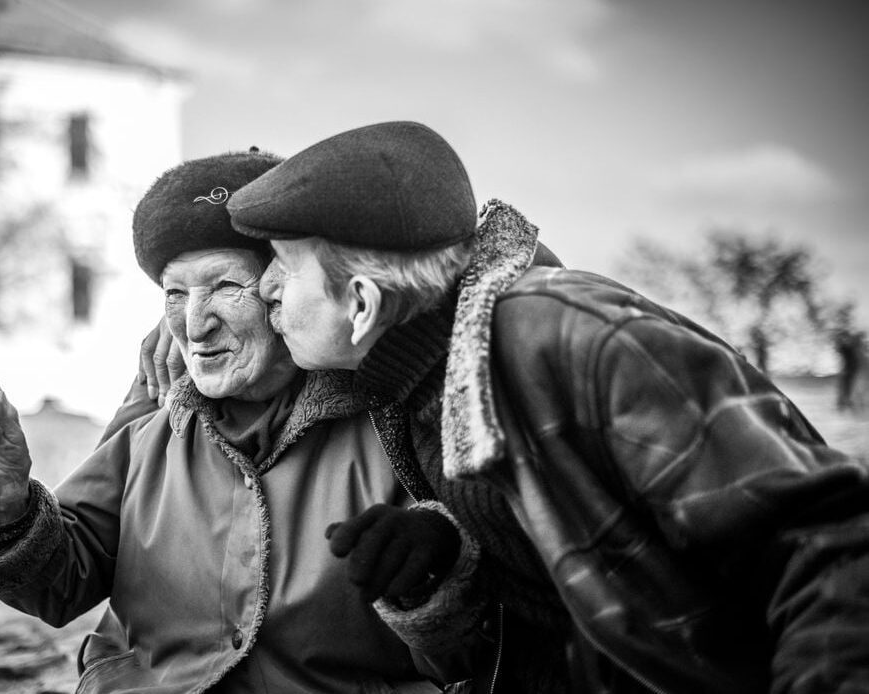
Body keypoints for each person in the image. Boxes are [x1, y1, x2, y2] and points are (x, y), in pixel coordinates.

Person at [212, 121, 869, 693]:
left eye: (284, 266)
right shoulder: (401, 386)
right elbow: (534, 629)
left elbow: (831, 543)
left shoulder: (576, 339)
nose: (265, 286)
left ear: (360, 305)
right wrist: (443, 570)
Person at [0, 150, 480, 693]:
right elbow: (61, 584)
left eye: (223, 286)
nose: (195, 325)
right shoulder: (152, 418)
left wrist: (429, 584)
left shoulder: (393, 424)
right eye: (174, 293)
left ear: (281, 285)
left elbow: (468, 650)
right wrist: (5, 497)